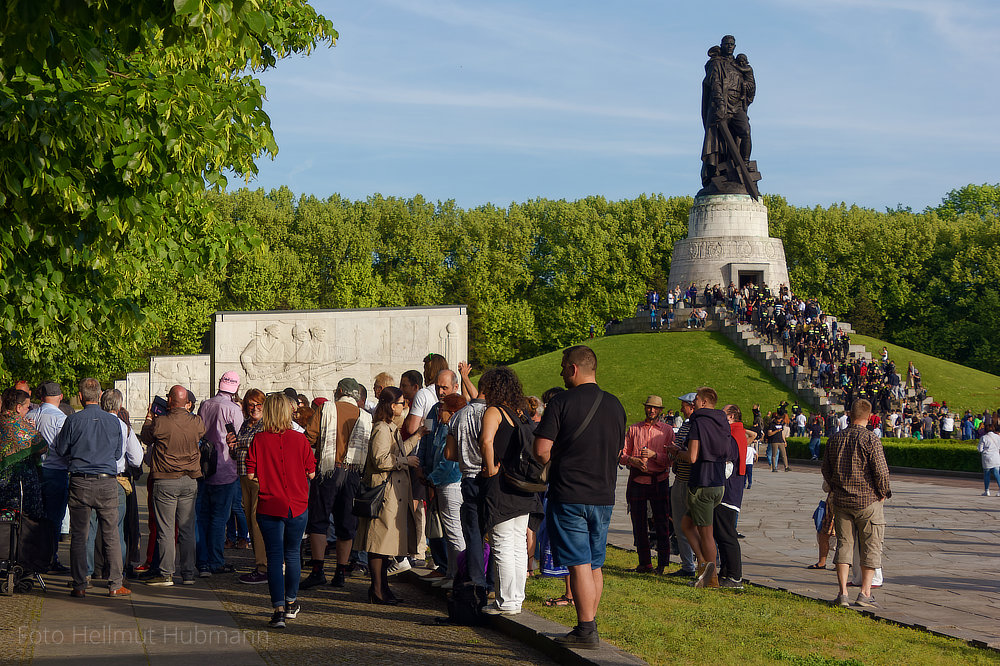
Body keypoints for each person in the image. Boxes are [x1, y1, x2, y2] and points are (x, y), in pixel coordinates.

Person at [533, 345, 626, 649]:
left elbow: (541, 449)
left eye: (563, 367)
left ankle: (587, 628)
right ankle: (587, 624)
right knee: (595, 563)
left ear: (573, 369)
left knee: (579, 563)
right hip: (604, 494)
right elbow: (618, 450)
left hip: (570, 493)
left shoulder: (561, 402)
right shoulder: (615, 405)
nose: (561, 372)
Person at [52, 378, 130, 598]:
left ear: (80, 396)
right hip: (106, 481)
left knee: (80, 534)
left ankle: (79, 584)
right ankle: (115, 583)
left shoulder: (73, 420)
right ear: (100, 395)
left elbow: (61, 449)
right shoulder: (114, 422)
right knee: (112, 534)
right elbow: (117, 454)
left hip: (80, 480)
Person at [246, 392, 316, 628]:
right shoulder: (301, 440)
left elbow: (251, 474)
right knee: (293, 554)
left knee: (275, 558)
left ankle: (277, 610)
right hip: (296, 504)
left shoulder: (259, 439)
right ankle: (291, 601)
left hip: (269, 504)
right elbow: (312, 472)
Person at [479, 367, 543, 615]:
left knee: (503, 543)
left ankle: (505, 602)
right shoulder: (521, 413)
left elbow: (486, 440)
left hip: (502, 483)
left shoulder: (494, 411)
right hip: (523, 484)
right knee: (517, 543)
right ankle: (516, 599)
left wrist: (489, 467)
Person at [356, 386, 423, 603]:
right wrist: (405, 462)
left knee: (385, 546)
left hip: (393, 493)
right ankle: (377, 590)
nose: (404, 407)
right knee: (379, 544)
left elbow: (400, 451)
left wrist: (419, 436)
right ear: (392, 406)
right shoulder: (381, 429)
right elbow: (380, 459)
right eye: (402, 403)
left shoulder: (391, 428)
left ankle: (381, 588)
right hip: (384, 493)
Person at [822, 399, 891, 608]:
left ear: (850, 414)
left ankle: (842, 593)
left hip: (842, 501)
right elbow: (881, 471)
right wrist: (883, 492)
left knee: (844, 545)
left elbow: (826, 469)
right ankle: (865, 593)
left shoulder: (835, 439)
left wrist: (835, 487)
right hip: (868, 501)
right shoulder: (871, 439)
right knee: (871, 546)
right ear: (869, 417)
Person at [301, 378, 363, 589]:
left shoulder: (326, 408)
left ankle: (318, 570)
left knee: (319, 520)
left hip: (327, 469)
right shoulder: (364, 415)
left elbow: (308, 437)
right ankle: (340, 572)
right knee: (346, 523)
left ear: (339, 391)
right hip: (353, 472)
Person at [141, 385, 205, 586]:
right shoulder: (196, 422)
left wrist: (149, 417)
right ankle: (188, 573)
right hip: (189, 480)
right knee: (187, 528)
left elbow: (146, 437)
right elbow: (201, 433)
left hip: (165, 480)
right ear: (186, 402)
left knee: (166, 529)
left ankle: (166, 572)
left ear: (169, 400)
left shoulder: (161, 422)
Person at [676, 387, 735, 589]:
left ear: (703, 402)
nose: (693, 403)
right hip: (718, 482)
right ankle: (703, 565)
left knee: (706, 533)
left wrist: (676, 452)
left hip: (701, 482)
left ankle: (711, 579)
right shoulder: (722, 422)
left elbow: (692, 457)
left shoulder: (698, 422)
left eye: (696, 399)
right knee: (686, 524)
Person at [196, 370, 244, 576]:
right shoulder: (233, 409)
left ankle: (203, 560)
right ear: (236, 388)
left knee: (203, 516)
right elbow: (239, 439)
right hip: (225, 468)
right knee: (219, 518)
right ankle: (215, 561)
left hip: (205, 467)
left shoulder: (205, 405)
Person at [620, 395, 674, 574]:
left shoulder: (666, 431)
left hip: (659, 480)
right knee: (638, 523)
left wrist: (654, 455)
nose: (651, 410)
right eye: (649, 407)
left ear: (660, 411)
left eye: (655, 408)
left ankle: (663, 563)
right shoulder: (634, 429)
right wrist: (632, 460)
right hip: (638, 480)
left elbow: (671, 460)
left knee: (662, 522)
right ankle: (644, 563)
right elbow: (622, 454)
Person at [425, 393, 467, 589]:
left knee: (454, 533)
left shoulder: (454, 429)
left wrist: (431, 479)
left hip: (451, 485)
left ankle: (459, 576)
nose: (439, 412)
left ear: (452, 411)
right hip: (444, 484)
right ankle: (451, 573)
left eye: (442, 409)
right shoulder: (447, 427)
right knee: (450, 534)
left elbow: (448, 463)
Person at [229, 388, 267, 584]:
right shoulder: (245, 425)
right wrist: (232, 447)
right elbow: (238, 455)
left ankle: (263, 566)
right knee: (251, 521)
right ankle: (259, 562)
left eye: (258, 404)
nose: (254, 408)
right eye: (250, 405)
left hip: (259, 478)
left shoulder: (265, 425)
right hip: (243, 477)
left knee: (256, 520)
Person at [665, 393, 699, 578]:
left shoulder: (697, 426)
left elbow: (693, 454)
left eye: (684, 405)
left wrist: (677, 451)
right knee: (679, 524)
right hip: (679, 478)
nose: (682, 408)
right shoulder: (686, 425)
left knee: (692, 525)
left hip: (691, 480)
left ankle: (700, 564)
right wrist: (673, 452)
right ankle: (688, 565)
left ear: (692, 406)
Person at [715, 404, 748, 587]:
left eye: (723, 413)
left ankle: (735, 576)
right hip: (731, 490)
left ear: (732, 417)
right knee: (723, 534)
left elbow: (727, 462)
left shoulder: (733, 435)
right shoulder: (737, 433)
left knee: (727, 535)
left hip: (728, 492)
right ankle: (726, 572)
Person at [0, 388, 45, 520]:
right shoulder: (21, 425)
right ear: (19, 407)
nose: (28, 409)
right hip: (21, 483)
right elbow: (42, 447)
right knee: (26, 521)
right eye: (27, 406)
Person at [978, 424, 1000, 496]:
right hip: (996, 457)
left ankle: (987, 490)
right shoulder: (997, 437)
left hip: (987, 457)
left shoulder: (983, 438)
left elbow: (980, 449)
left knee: (986, 474)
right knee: (997, 474)